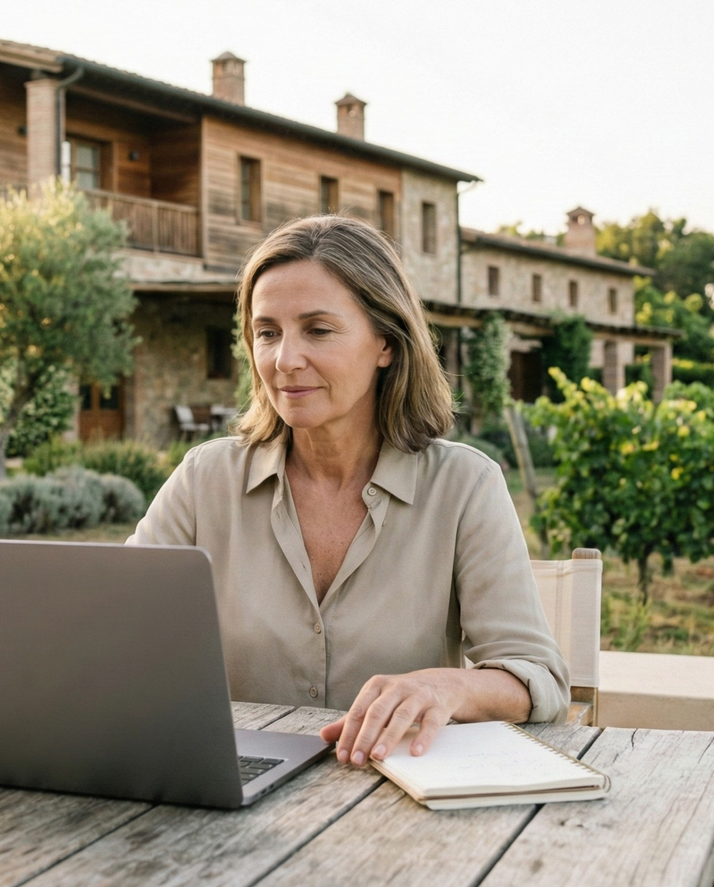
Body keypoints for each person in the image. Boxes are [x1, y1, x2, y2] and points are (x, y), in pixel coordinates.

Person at [129, 215, 568, 767]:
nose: (285, 360)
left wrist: (446, 688)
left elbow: (539, 681)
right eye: (267, 332)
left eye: (318, 329)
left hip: (392, 802)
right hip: (228, 790)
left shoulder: (465, 487)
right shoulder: (204, 479)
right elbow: (114, 632)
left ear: (386, 343)